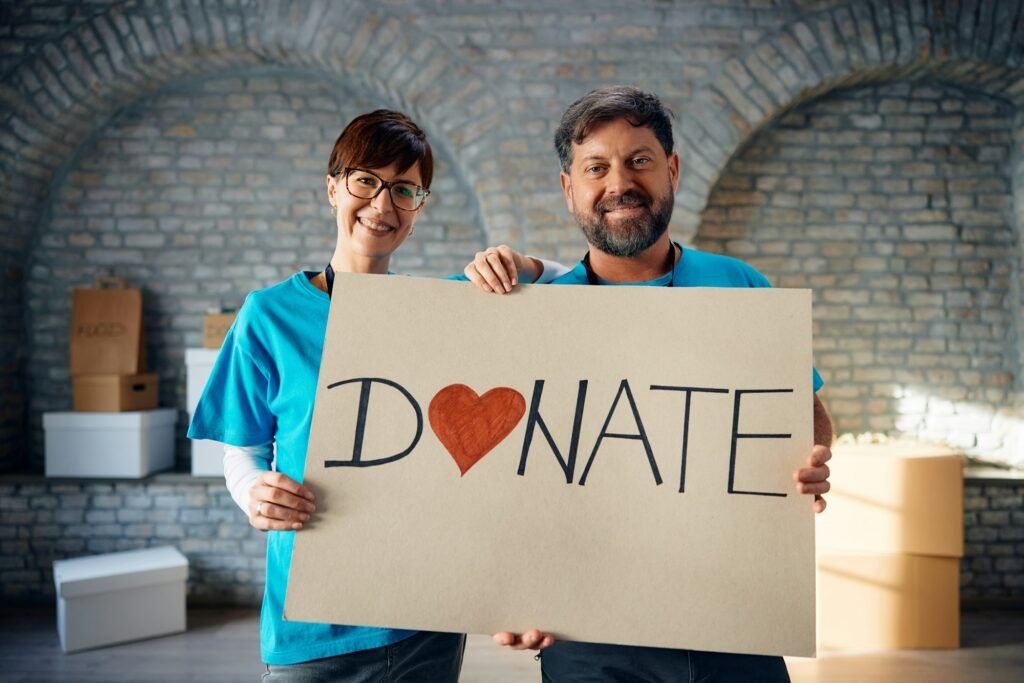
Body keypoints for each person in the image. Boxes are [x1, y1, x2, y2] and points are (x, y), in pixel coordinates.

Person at [464, 86, 833, 683]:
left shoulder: (741, 286)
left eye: (639, 160)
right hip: (589, 636)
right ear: (569, 189)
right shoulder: (532, 317)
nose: (619, 183)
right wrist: (510, 590)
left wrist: (812, 458)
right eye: (596, 168)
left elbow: (806, 409)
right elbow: (507, 479)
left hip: (738, 621)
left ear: (673, 170)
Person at [187, 109, 561, 682]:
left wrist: (521, 261)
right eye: (366, 181)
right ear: (333, 187)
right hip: (313, 628)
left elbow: (575, 282)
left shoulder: (441, 308)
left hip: (424, 620)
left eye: (405, 190)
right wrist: (251, 492)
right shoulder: (269, 315)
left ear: (419, 207)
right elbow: (242, 449)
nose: (383, 205)